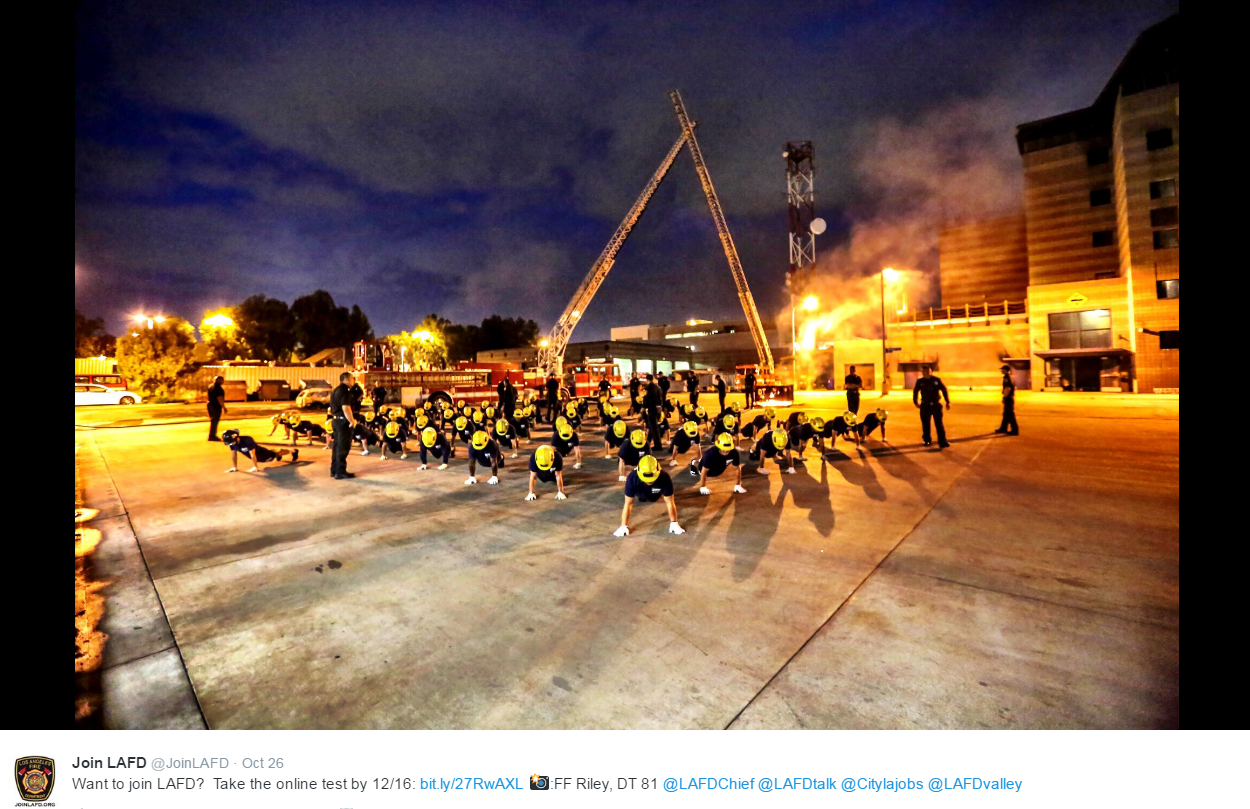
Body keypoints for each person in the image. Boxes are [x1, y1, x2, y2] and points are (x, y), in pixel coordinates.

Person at [614, 454, 685, 536]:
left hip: (656, 494)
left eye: (652, 480)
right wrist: (623, 526)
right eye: (647, 480)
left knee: (658, 498)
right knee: (640, 498)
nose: (649, 482)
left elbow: (670, 502)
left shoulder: (664, 477)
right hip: (640, 492)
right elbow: (628, 503)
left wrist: (674, 523)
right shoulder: (632, 478)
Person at [690, 431, 747, 496]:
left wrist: (738, 484)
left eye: (727, 450)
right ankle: (694, 462)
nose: (725, 452)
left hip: (719, 468)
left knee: (710, 462)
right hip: (707, 469)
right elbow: (704, 470)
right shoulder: (710, 454)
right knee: (700, 467)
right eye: (723, 449)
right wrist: (703, 486)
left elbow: (737, 468)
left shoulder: (735, 453)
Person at [222, 429, 298, 472]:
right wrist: (234, 467)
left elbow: (252, 454)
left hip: (263, 455)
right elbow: (234, 455)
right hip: (258, 455)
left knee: (275, 454)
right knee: (274, 452)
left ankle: (293, 451)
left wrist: (255, 467)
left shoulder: (247, 440)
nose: (231, 444)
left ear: (236, 438)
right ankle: (277, 452)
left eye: (231, 442)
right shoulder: (232, 443)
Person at [913, 365, 951, 448]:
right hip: (925, 405)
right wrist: (915, 402)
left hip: (935, 405)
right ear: (922, 373)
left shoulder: (936, 380)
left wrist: (947, 401)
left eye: (928, 371)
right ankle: (927, 440)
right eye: (924, 371)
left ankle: (942, 441)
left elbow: (944, 390)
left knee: (939, 424)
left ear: (931, 371)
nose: (926, 373)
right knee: (925, 424)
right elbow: (915, 392)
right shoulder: (920, 381)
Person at [329, 372, 357, 479]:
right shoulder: (345, 391)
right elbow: (346, 407)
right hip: (343, 422)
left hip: (335, 421)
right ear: (346, 379)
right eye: (352, 378)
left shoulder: (335, 390)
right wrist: (351, 421)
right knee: (343, 447)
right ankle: (340, 472)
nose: (353, 380)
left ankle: (334, 470)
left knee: (336, 446)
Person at [642, 374, 664, 451]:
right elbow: (661, 397)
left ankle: (658, 445)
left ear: (647, 380)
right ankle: (648, 442)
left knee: (654, 428)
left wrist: (644, 407)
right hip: (657, 408)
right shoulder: (657, 387)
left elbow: (648, 398)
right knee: (652, 427)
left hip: (652, 409)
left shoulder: (650, 388)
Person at [995, 365, 1019, 436]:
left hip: (1008, 398)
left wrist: (1004, 397)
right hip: (1010, 397)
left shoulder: (1007, 378)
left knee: (1010, 414)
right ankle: (1003, 428)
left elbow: (1008, 388)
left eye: (1002, 369)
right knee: (1006, 414)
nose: (1001, 371)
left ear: (1006, 370)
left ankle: (1015, 430)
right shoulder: (1011, 377)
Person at [206, 376, 227, 441]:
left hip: (210, 404)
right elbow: (219, 398)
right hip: (216, 406)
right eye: (222, 380)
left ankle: (211, 435)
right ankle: (212, 436)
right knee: (215, 421)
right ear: (219, 381)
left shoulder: (210, 386)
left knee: (213, 420)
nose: (223, 381)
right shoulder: (219, 389)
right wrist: (224, 407)